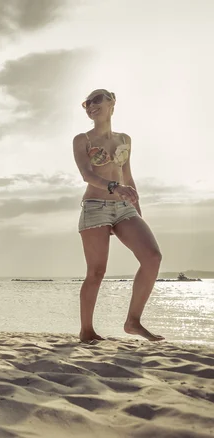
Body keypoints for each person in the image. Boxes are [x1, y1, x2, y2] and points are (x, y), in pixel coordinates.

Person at [73, 89, 164, 343]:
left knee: (152, 257)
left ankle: (133, 322)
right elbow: (87, 175)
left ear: (112, 102)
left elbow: (128, 176)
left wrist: (136, 206)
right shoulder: (82, 140)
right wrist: (114, 187)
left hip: (124, 207)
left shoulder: (125, 139)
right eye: (86, 103)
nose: (91, 105)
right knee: (96, 271)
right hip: (94, 206)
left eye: (96, 99)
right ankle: (86, 331)